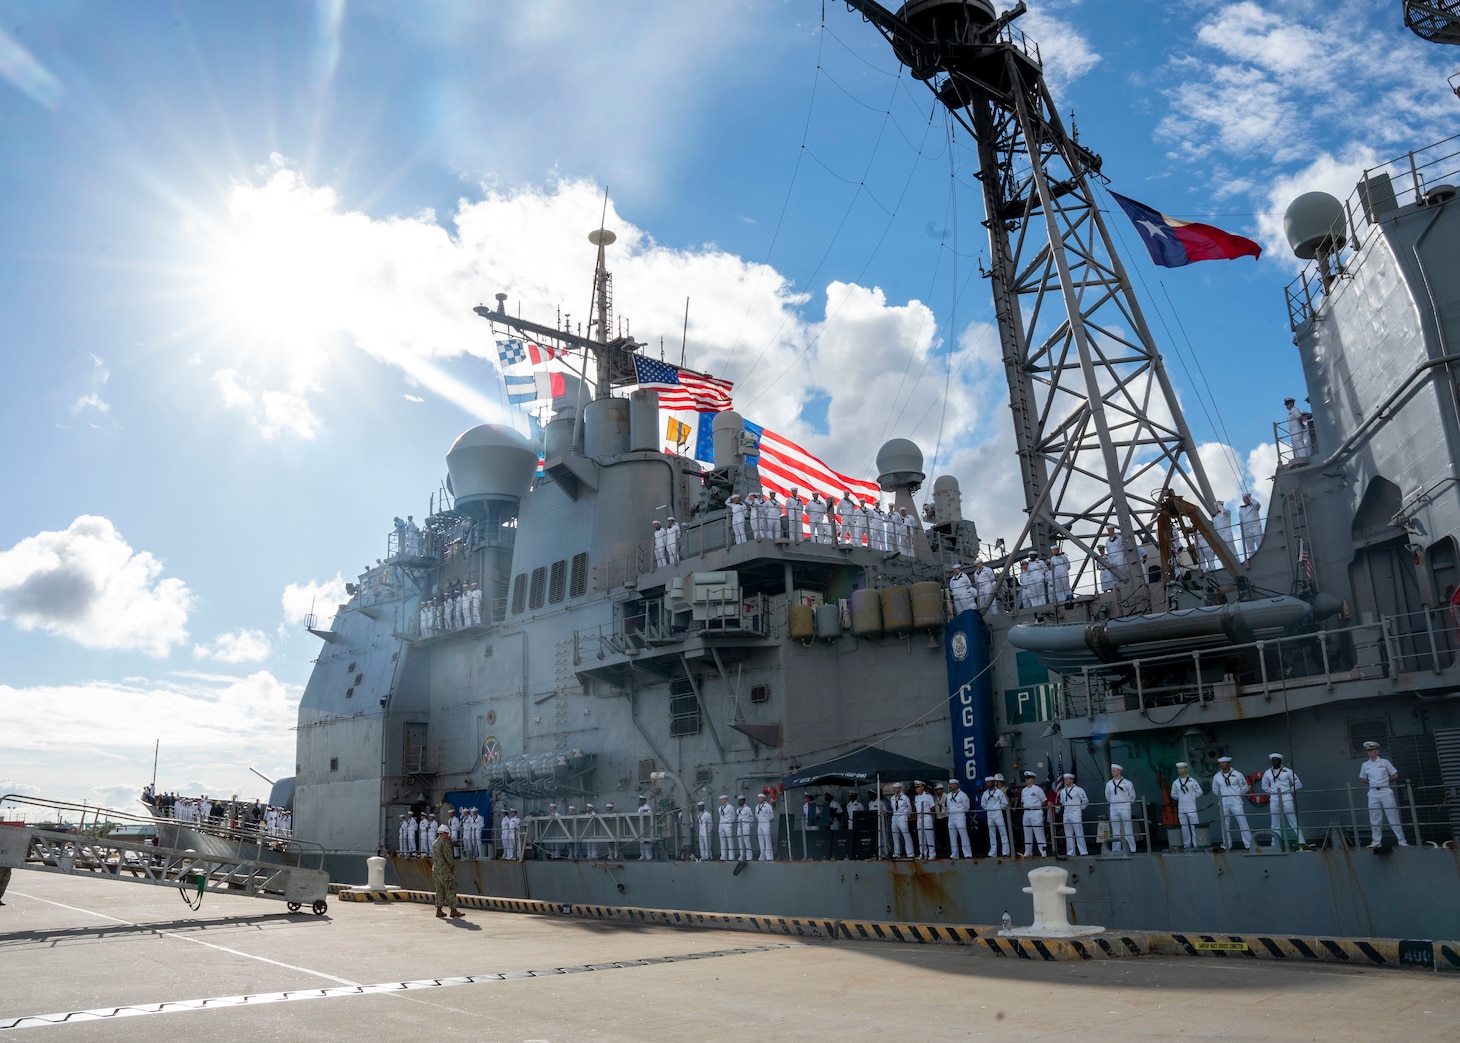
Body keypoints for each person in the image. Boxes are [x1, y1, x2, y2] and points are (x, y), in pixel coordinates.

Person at [1358, 740, 1409, 847]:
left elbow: (1394, 775)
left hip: (1385, 791)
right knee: (1375, 818)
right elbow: (1362, 778)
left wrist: (1385, 782)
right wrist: (1372, 783)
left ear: (1377, 751)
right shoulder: (1365, 765)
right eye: (1368, 751)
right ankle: (1376, 842)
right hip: (1373, 793)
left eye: (1372, 750)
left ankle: (1401, 841)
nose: (1370, 752)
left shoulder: (1385, 762)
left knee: (1393, 817)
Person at [1261, 754, 1304, 847]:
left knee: (1292, 820)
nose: (1274, 762)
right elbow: (1264, 786)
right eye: (1273, 760)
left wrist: (1288, 791)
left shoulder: (1288, 771)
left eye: (1277, 760)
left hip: (1286, 797)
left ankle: (1301, 842)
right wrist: (1273, 792)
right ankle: (1275, 844)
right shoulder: (1268, 772)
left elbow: (1298, 784)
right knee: (1275, 823)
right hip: (1274, 799)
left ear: (1280, 761)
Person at [1211, 756, 1253, 851]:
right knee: (1224, 825)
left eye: (1224, 763)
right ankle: (1226, 845)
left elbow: (1245, 788)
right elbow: (1215, 790)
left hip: (1236, 802)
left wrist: (1237, 795)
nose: (1221, 764)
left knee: (1242, 822)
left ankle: (1249, 844)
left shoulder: (1237, 774)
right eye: (1220, 763)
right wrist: (1222, 797)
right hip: (1224, 803)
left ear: (1229, 764)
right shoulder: (1217, 776)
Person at [431, 824, 464, 919]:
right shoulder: (445, 844)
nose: (448, 835)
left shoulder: (435, 843)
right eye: (447, 833)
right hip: (445, 870)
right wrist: (453, 869)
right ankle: (453, 910)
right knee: (450, 889)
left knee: (439, 890)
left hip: (436, 869)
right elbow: (449, 858)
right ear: (444, 833)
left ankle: (439, 909)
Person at [1105, 765, 1138, 853]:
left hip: (1124, 807)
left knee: (1128, 828)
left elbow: (1132, 795)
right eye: (1112, 770)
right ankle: (1116, 849)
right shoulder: (1109, 784)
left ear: (1119, 771)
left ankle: (1131, 848)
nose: (1112, 772)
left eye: (1114, 770)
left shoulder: (1127, 783)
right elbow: (1108, 796)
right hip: (1114, 807)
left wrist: (1127, 804)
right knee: (1115, 830)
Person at [1170, 762, 1203, 850]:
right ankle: (1187, 845)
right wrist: (1181, 798)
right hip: (1181, 807)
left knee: (1194, 826)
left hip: (1191, 807)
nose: (1180, 770)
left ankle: (1196, 844)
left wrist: (1191, 797)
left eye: (1182, 768)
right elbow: (1173, 794)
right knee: (1184, 827)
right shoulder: (1176, 782)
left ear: (1186, 769)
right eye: (1179, 769)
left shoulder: (1192, 780)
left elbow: (1199, 792)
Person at [1055, 774, 1089, 856]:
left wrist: (1080, 808)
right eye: (1065, 779)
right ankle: (1070, 852)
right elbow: (1062, 801)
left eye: (1067, 779)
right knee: (1068, 833)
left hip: (1075, 813)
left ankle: (1083, 851)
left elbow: (1085, 800)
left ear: (1072, 780)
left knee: (1079, 832)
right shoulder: (1063, 791)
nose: (1066, 780)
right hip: (1067, 813)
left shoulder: (1078, 790)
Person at [1018, 771, 1048, 857]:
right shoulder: (1024, 790)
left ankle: (1043, 852)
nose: (1026, 780)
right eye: (1026, 779)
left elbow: (1044, 801)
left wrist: (1039, 810)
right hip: (1026, 812)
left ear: (1032, 779)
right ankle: (1028, 852)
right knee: (1027, 833)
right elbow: (1022, 802)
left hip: (1036, 812)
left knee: (1039, 833)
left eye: (1028, 778)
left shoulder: (1037, 789)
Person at [981, 775, 1011, 857]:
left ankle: (1006, 851)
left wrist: (998, 808)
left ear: (993, 783)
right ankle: (993, 852)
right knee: (992, 833)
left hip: (998, 814)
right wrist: (989, 808)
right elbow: (983, 804)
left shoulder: (999, 792)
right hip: (990, 814)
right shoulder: (985, 793)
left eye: (989, 782)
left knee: (1003, 832)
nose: (988, 784)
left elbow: (1005, 803)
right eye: (987, 782)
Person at [945, 779, 973, 859]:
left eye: (952, 784)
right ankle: (954, 854)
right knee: (952, 836)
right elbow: (948, 805)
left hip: (960, 816)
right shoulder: (949, 795)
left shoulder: (962, 795)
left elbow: (967, 806)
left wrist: (960, 811)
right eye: (950, 784)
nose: (950, 786)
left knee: (963, 835)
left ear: (956, 785)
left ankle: (967, 854)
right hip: (951, 816)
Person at [888, 782, 914, 858]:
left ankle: (910, 853)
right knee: (895, 835)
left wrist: (906, 816)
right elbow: (893, 808)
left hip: (902, 817)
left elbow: (909, 808)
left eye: (896, 788)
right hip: (895, 817)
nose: (895, 790)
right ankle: (897, 853)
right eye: (894, 788)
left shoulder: (905, 798)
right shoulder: (892, 798)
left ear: (900, 789)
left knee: (906, 835)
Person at [913, 781, 936, 859]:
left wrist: (929, 815)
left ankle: (932, 854)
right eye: (916, 787)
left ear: (922, 787)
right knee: (921, 837)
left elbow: (932, 807)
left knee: (929, 836)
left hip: (926, 817)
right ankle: (923, 854)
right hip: (919, 818)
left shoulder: (928, 796)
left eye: (918, 787)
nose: (916, 789)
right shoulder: (916, 797)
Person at [1239, 493, 1262, 559]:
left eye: (1246, 498)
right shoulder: (1241, 509)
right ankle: (1252, 559)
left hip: (1255, 528)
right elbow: (1241, 521)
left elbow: (1257, 504)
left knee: (1260, 543)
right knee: (1250, 548)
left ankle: (1263, 556)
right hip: (1246, 530)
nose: (1244, 499)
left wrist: (1250, 498)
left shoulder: (1254, 507)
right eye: (1243, 498)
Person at [755, 792, 776, 860]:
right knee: (761, 840)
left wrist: (767, 820)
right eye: (759, 798)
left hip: (766, 824)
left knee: (767, 840)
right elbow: (756, 815)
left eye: (760, 798)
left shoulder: (768, 806)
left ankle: (769, 856)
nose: (759, 799)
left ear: (764, 799)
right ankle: (762, 855)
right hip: (760, 824)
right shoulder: (757, 806)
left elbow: (771, 816)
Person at [735, 795, 754, 860]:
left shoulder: (748, 809)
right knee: (740, 842)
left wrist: (748, 826)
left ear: (743, 801)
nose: (739, 802)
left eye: (740, 800)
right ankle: (742, 855)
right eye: (738, 801)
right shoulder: (738, 810)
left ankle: (749, 856)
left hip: (745, 826)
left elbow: (751, 818)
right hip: (739, 827)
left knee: (747, 842)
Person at [635, 795, 654, 861]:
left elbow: (648, 817)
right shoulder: (640, 808)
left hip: (646, 827)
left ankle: (649, 856)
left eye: (640, 800)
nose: (639, 802)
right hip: (641, 827)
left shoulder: (647, 808)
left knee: (647, 842)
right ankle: (643, 855)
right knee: (641, 842)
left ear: (644, 800)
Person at [717, 795, 735, 860]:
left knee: (730, 841)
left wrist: (730, 823)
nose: (721, 801)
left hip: (727, 824)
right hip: (721, 825)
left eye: (722, 800)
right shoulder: (720, 808)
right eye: (720, 800)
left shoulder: (730, 807)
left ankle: (731, 856)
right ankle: (723, 856)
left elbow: (733, 816)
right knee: (722, 841)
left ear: (725, 800)